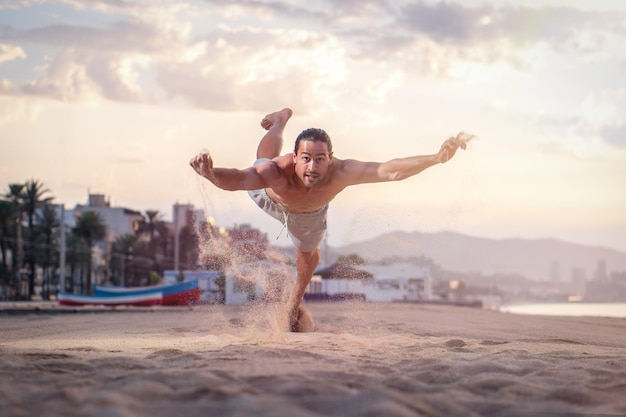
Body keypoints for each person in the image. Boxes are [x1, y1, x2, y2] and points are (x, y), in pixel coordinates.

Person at [190, 108, 470, 330]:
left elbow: (389, 170)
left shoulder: (343, 171)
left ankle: (292, 308)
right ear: (296, 157)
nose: (313, 167)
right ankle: (280, 121)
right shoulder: (277, 170)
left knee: (309, 256)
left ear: (330, 158)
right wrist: (211, 174)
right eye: (306, 158)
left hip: (307, 215)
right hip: (268, 195)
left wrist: (437, 158)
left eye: (320, 158)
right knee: (263, 159)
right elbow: (239, 178)